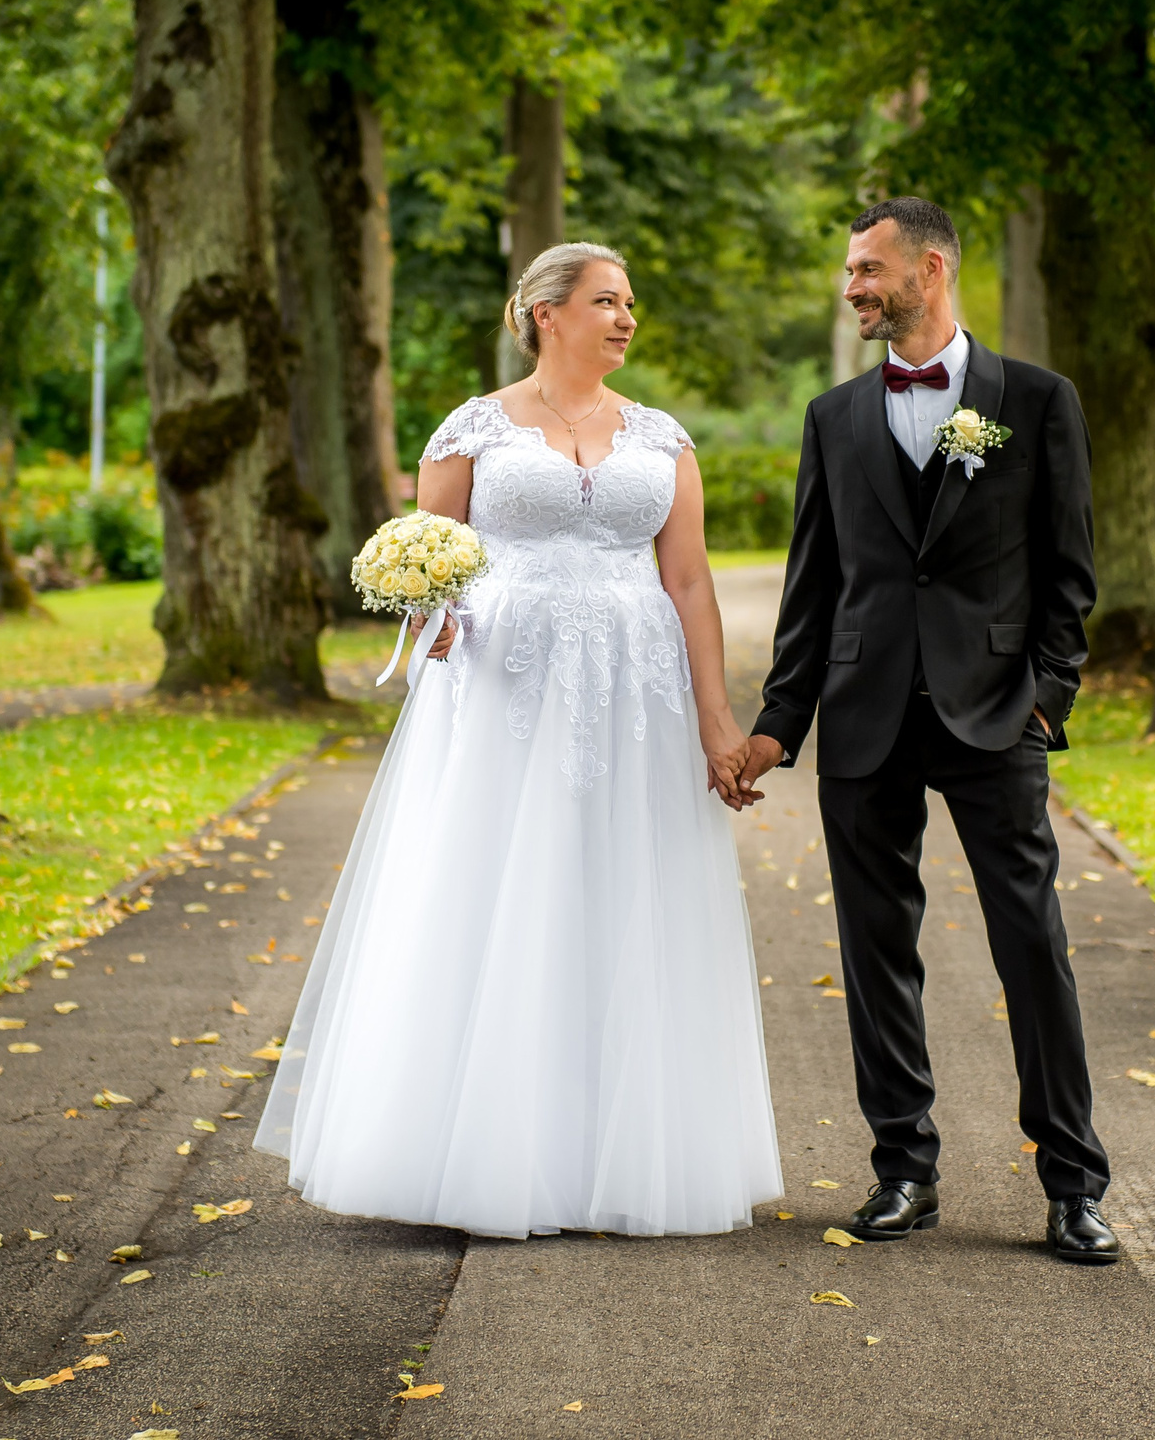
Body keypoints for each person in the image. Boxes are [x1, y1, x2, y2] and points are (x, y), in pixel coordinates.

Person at [257, 242, 781, 1238]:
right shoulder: (472, 430)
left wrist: (717, 716)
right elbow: (427, 562)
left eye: (631, 302)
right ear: (546, 311)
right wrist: (429, 619)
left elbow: (689, 582)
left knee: (627, 895)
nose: (626, 317)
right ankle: (476, 1150)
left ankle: (621, 1154)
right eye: (606, 300)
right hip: (504, 695)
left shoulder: (662, 439)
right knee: (496, 895)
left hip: (637, 696)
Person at [734, 198, 1119, 1265]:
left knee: (1030, 942)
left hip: (996, 710)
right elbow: (812, 589)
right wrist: (778, 723)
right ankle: (903, 1167)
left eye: (868, 268)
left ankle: (1073, 1182)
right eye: (850, 271)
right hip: (863, 714)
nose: (853, 285)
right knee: (875, 951)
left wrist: (1048, 696)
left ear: (929, 268)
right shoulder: (834, 415)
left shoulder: (1035, 401)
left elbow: (1068, 569)